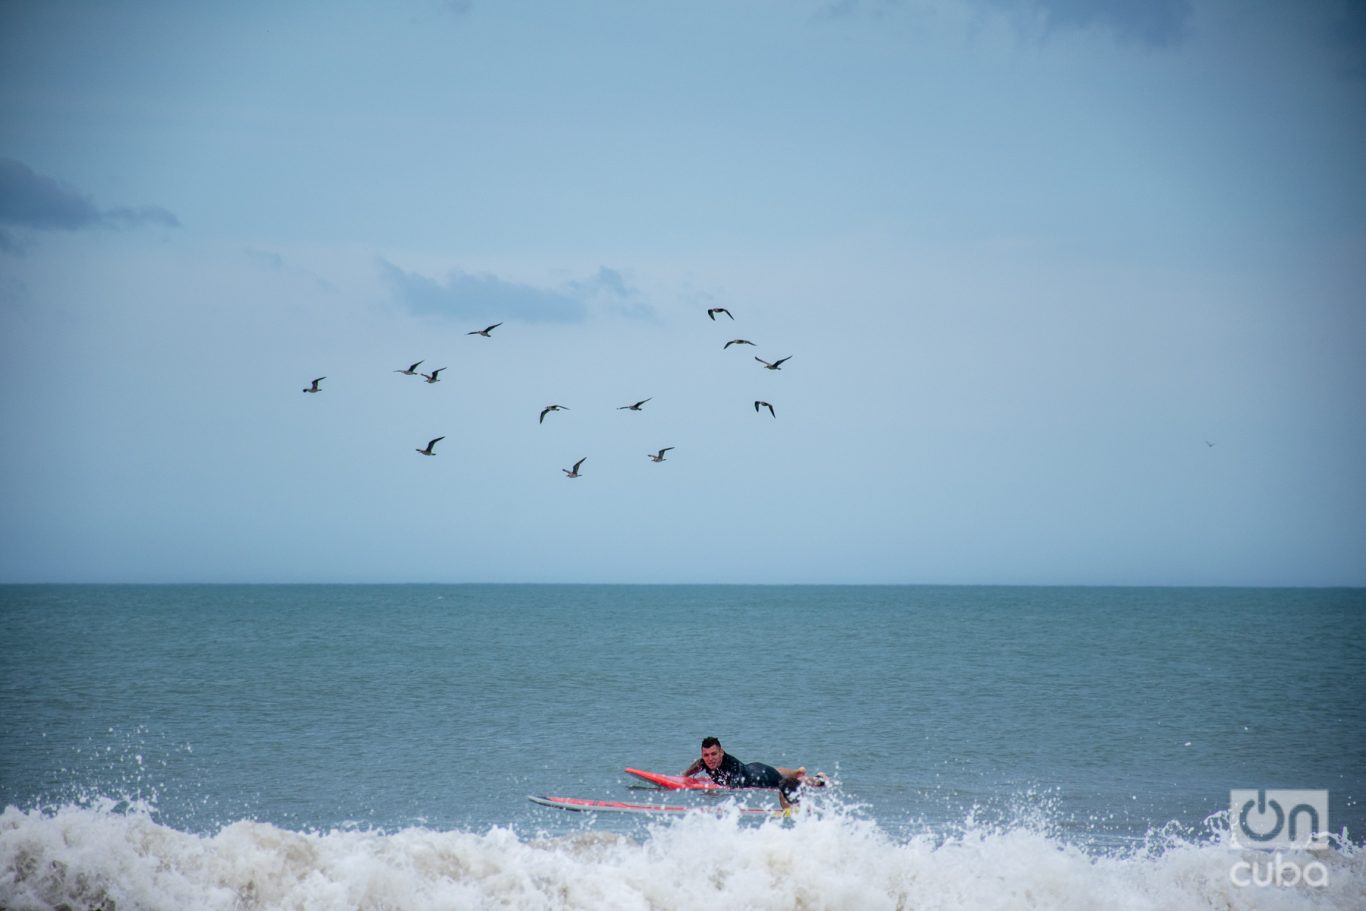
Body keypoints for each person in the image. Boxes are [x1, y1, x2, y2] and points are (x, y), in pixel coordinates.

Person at [681, 736, 805, 790]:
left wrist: (716, 791)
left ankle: (816, 779)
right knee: (777, 771)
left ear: (721, 752)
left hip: (763, 777)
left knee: (786, 782)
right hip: (754, 767)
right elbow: (699, 764)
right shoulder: (706, 761)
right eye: (706, 755)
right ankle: (798, 771)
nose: (710, 759)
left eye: (714, 754)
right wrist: (684, 775)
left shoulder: (732, 768)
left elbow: (736, 787)